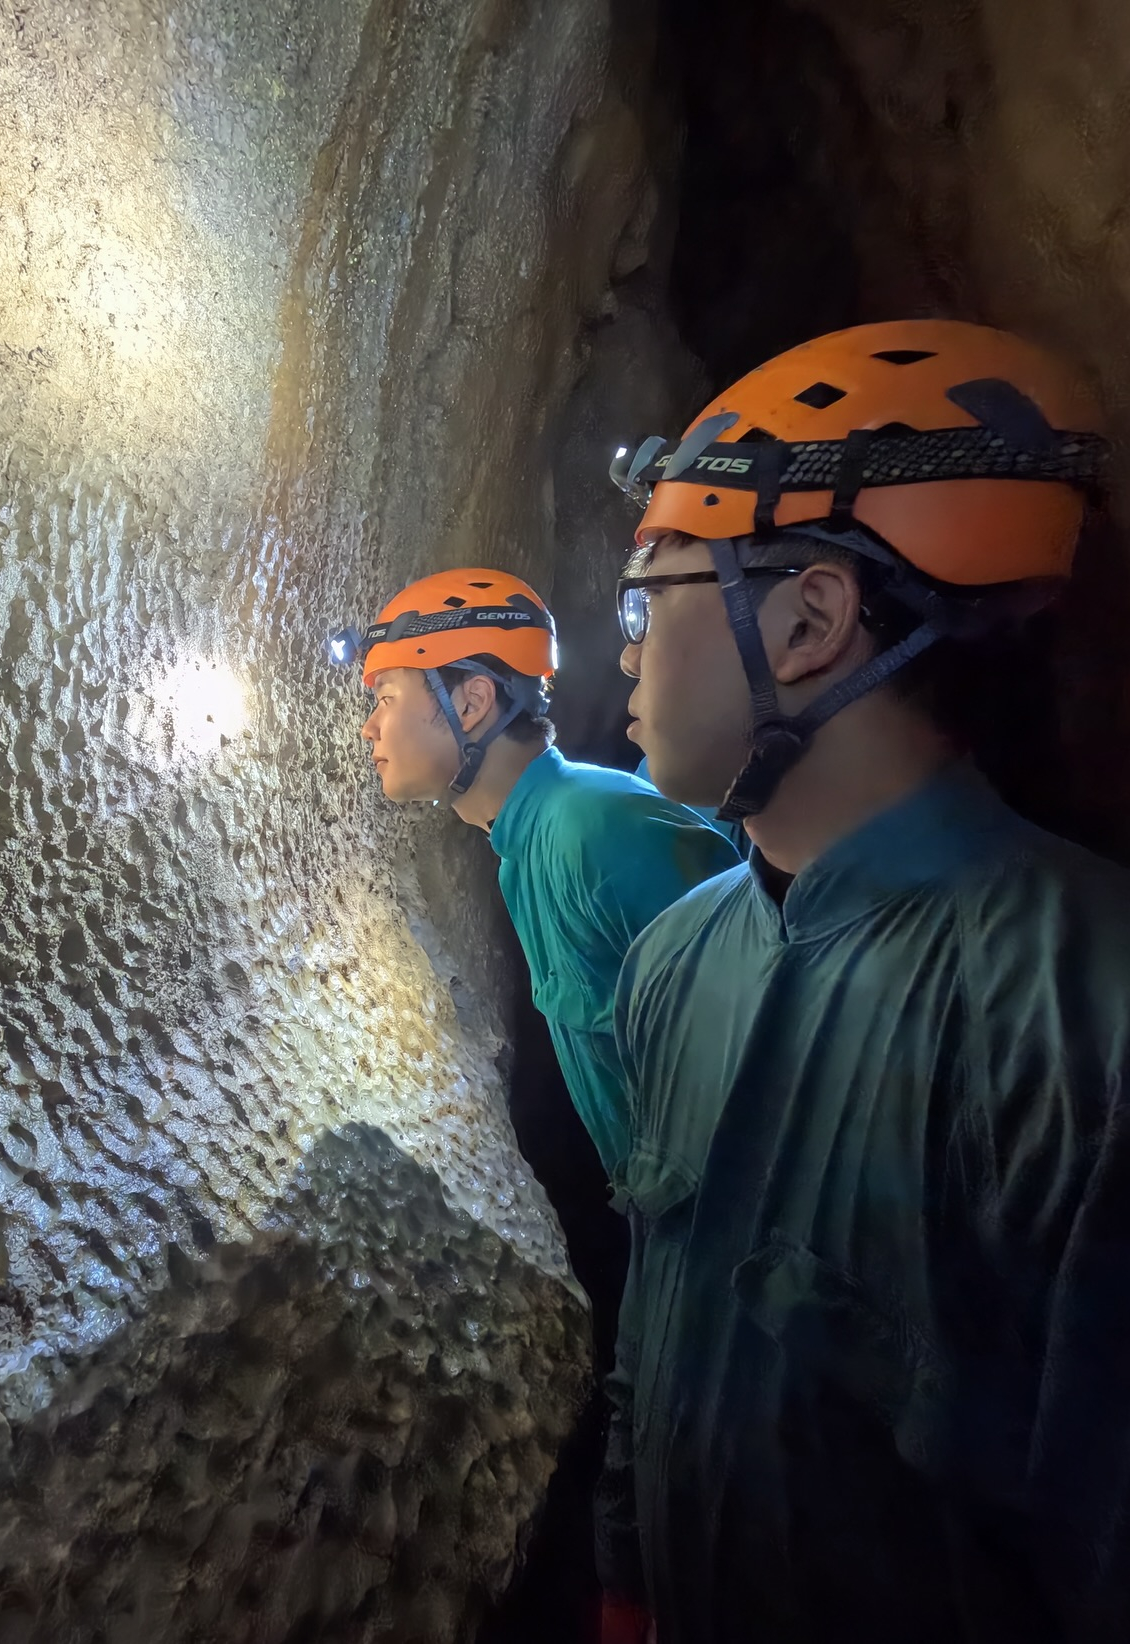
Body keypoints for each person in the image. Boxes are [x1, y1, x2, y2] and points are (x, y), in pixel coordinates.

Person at [597, 318, 1130, 1644]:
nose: (621, 656)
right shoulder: (676, 958)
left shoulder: (1084, 1008)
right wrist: (626, 1582)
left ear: (808, 618)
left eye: (644, 600)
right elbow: (659, 1309)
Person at [338, 568, 739, 1642]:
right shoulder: (527, 842)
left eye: (385, 697)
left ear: (471, 702)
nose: (370, 727)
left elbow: (772, 1019)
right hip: (677, 1252)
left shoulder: (590, 832)